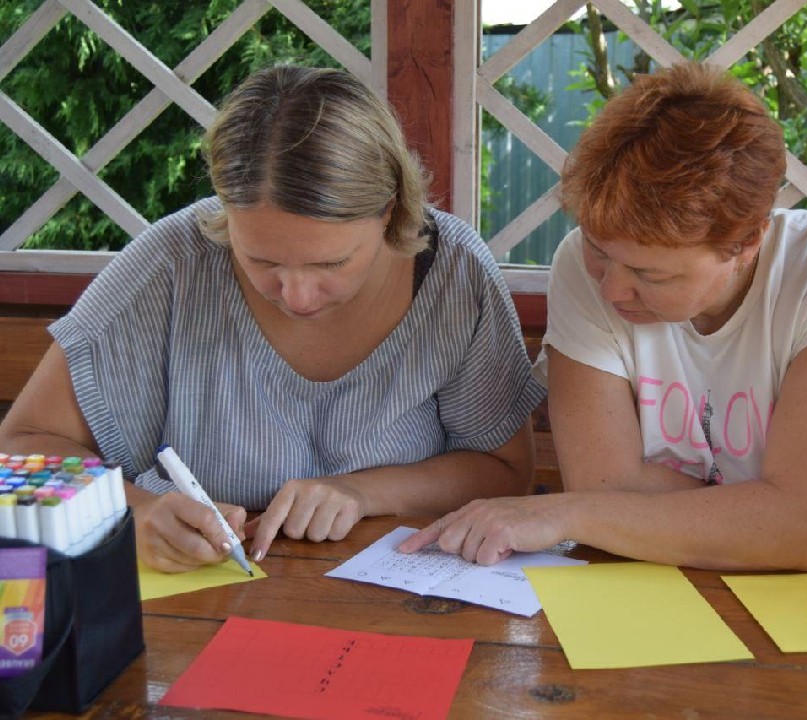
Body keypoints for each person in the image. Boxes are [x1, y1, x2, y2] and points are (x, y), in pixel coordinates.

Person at [0, 66, 544, 572]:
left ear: (389, 210)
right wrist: (135, 510)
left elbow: (506, 471)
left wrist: (363, 492)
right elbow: (22, 443)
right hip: (194, 608)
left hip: (401, 609)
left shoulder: (453, 273)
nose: (298, 296)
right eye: (260, 260)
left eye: (332, 263)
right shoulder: (172, 265)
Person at [400, 62, 807, 571]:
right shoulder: (581, 266)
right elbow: (603, 485)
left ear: (746, 242)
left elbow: (791, 535)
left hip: (791, 606)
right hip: (634, 576)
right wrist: (769, 515)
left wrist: (788, 525)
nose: (611, 287)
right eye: (599, 250)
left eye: (653, 275)